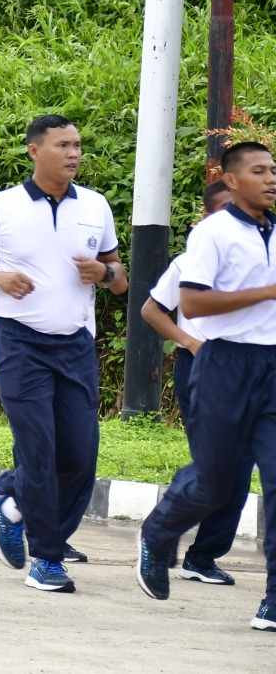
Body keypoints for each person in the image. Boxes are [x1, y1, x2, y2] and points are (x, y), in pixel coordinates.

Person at [0, 115, 127, 593]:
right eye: (63, 145)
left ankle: (10, 504)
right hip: (18, 340)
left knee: (79, 455)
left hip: (74, 342)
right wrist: (0, 280)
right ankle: (48, 559)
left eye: (77, 144)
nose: (74, 153)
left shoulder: (95, 206)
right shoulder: (2, 207)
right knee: (38, 448)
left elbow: (120, 278)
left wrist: (105, 273)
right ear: (35, 151)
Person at [138, 142, 276, 633]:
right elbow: (191, 306)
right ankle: (159, 532)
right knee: (218, 482)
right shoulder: (212, 233)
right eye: (258, 170)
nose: (270, 177)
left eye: (273, 169)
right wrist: (268, 291)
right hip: (224, 364)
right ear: (233, 180)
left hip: (272, 364)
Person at [138, 180, 243, 587]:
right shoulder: (188, 263)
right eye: (224, 209)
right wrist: (191, 342)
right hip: (203, 368)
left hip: (251, 369)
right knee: (214, 465)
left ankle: (203, 556)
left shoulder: (259, 258)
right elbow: (152, 309)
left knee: (239, 465)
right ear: (206, 217)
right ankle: (160, 532)